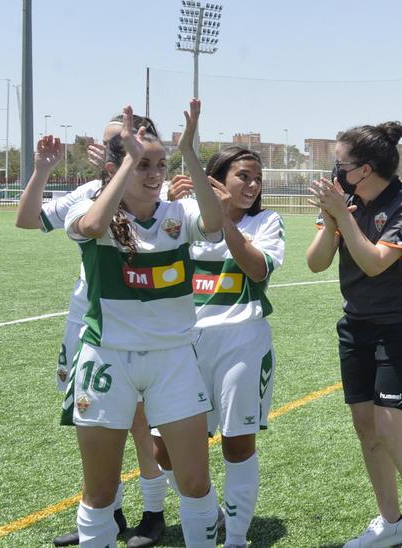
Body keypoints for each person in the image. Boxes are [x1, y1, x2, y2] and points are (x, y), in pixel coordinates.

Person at [63, 103, 224, 547]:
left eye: (159, 165)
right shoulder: (90, 211)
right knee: (99, 492)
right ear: (117, 168)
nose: (154, 174)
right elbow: (95, 224)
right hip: (107, 358)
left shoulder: (178, 214)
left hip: (173, 359)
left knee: (194, 483)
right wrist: (129, 161)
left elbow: (215, 223)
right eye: (142, 165)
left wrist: (188, 152)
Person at [15, 119, 172, 548]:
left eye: (117, 141)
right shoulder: (88, 193)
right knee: (97, 421)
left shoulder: (157, 192)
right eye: (107, 142)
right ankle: (108, 515)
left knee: (140, 423)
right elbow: (28, 220)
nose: (104, 148)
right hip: (85, 322)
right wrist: (43, 169)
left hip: (136, 326)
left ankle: (153, 513)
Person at [306, 121, 402, 548]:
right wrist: (334, 217)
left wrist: (343, 221)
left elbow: (372, 263)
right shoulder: (343, 199)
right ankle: (392, 522)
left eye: (340, 162)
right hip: (357, 324)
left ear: (364, 169)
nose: (334, 169)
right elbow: (315, 263)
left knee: (392, 429)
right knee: (367, 428)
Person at [158, 144, 284, 547]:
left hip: (241, 343)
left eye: (256, 178)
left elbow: (257, 268)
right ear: (216, 177)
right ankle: (209, 513)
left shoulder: (265, 221)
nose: (252, 185)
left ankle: (237, 538)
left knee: (237, 442)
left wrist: (224, 217)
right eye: (243, 176)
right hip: (183, 344)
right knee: (165, 448)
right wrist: (167, 210)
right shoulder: (182, 216)